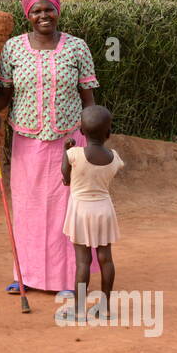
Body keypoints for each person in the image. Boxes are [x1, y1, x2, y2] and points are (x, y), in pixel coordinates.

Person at [0, 0, 100, 298]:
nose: (43, 16)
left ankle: (68, 279)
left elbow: (88, 98)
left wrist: (93, 143)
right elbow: (5, 94)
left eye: (48, 9)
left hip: (69, 142)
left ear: (57, 10)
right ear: (28, 15)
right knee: (28, 208)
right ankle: (25, 274)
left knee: (67, 210)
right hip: (27, 142)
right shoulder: (13, 48)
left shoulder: (77, 48)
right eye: (36, 11)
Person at [61, 105, 124, 320]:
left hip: (81, 210)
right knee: (106, 258)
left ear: (81, 132)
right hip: (104, 209)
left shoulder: (74, 154)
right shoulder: (114, 157)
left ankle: (79, 310)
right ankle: (104, 307)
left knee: (83, 262)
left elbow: (66, 179)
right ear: (109, 133)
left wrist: (65, 152)